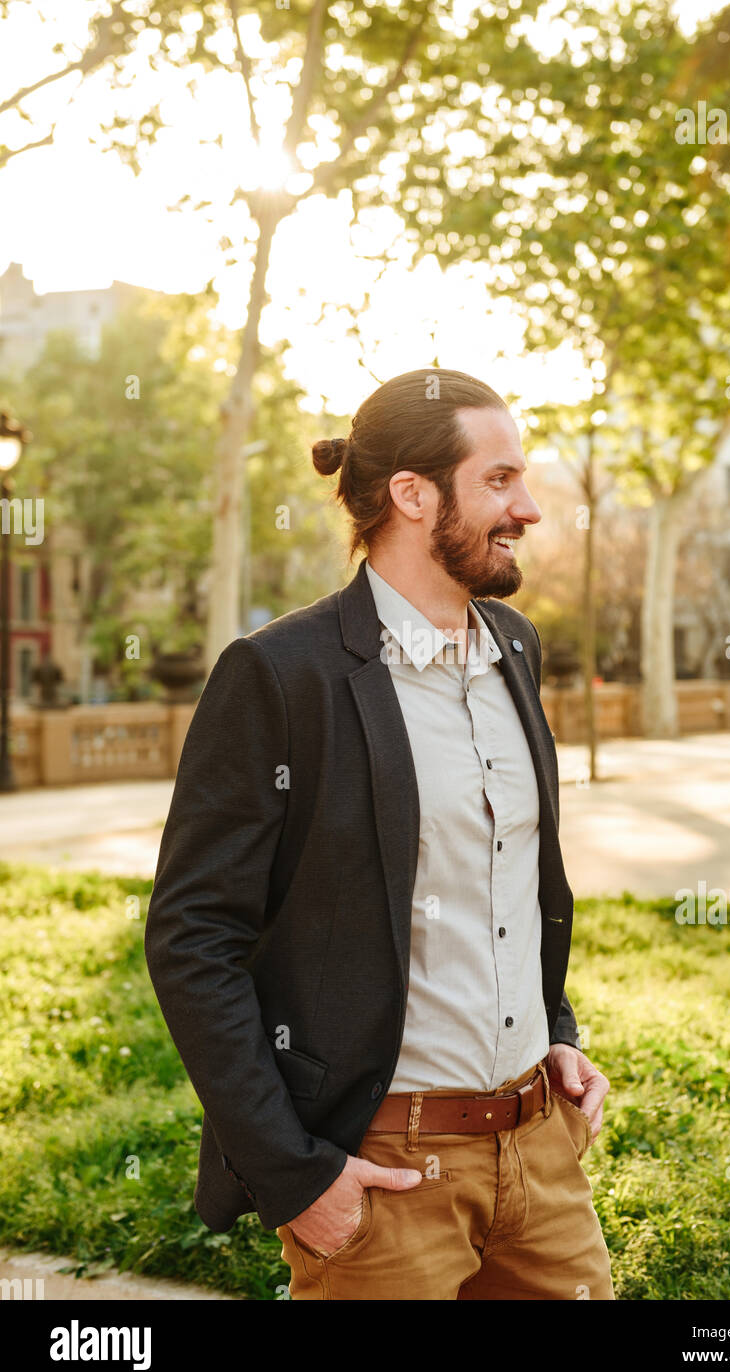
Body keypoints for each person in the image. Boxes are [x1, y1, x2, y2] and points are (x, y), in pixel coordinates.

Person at [145, 367, 614, 1300]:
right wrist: (293, 1176)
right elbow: (193, 937)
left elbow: (509, 882)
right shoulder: (282, 675)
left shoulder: (514, 645)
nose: (526, 508)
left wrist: (552, 1028)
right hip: (384, 1173)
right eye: (498, 481)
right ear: (411, 494)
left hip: (540, 1153)